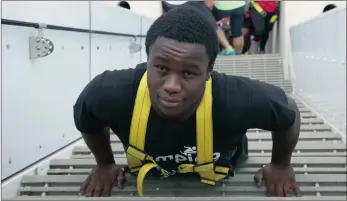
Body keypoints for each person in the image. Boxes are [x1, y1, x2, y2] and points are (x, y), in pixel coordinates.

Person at [73, 5, 301, 198]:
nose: (172, 85)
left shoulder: (235, 98)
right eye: (161, 68)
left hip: (223, 167)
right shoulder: (111, 92)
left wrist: (280, 165)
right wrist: (104, 164)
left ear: (209, 71)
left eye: (189, 73)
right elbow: (86, 114)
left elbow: (289, 112)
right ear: (148, 60)